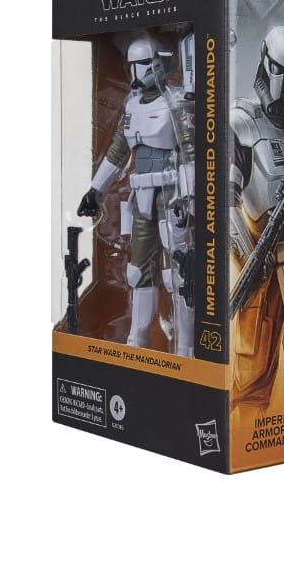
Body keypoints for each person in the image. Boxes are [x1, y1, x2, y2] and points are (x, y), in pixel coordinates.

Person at [77, 32, 195, 357]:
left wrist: (189, 199)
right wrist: (95, 191)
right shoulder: (131, 107)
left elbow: (190, 153)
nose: (135, 72)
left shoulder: (176, 103)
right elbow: (118, 152)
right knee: (138, 271)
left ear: (158, 63)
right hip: (141, 197)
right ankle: (137, 342)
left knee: (179, 274)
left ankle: (186, 348)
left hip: (172, 196)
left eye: (142, 64)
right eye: (131, 65)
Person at [230, 25, 284, 407]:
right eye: (279, 72)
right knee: (252, 380)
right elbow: (223, 201)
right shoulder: (242, 124)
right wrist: (250, 258)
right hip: (260, 263)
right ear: (266, 64)